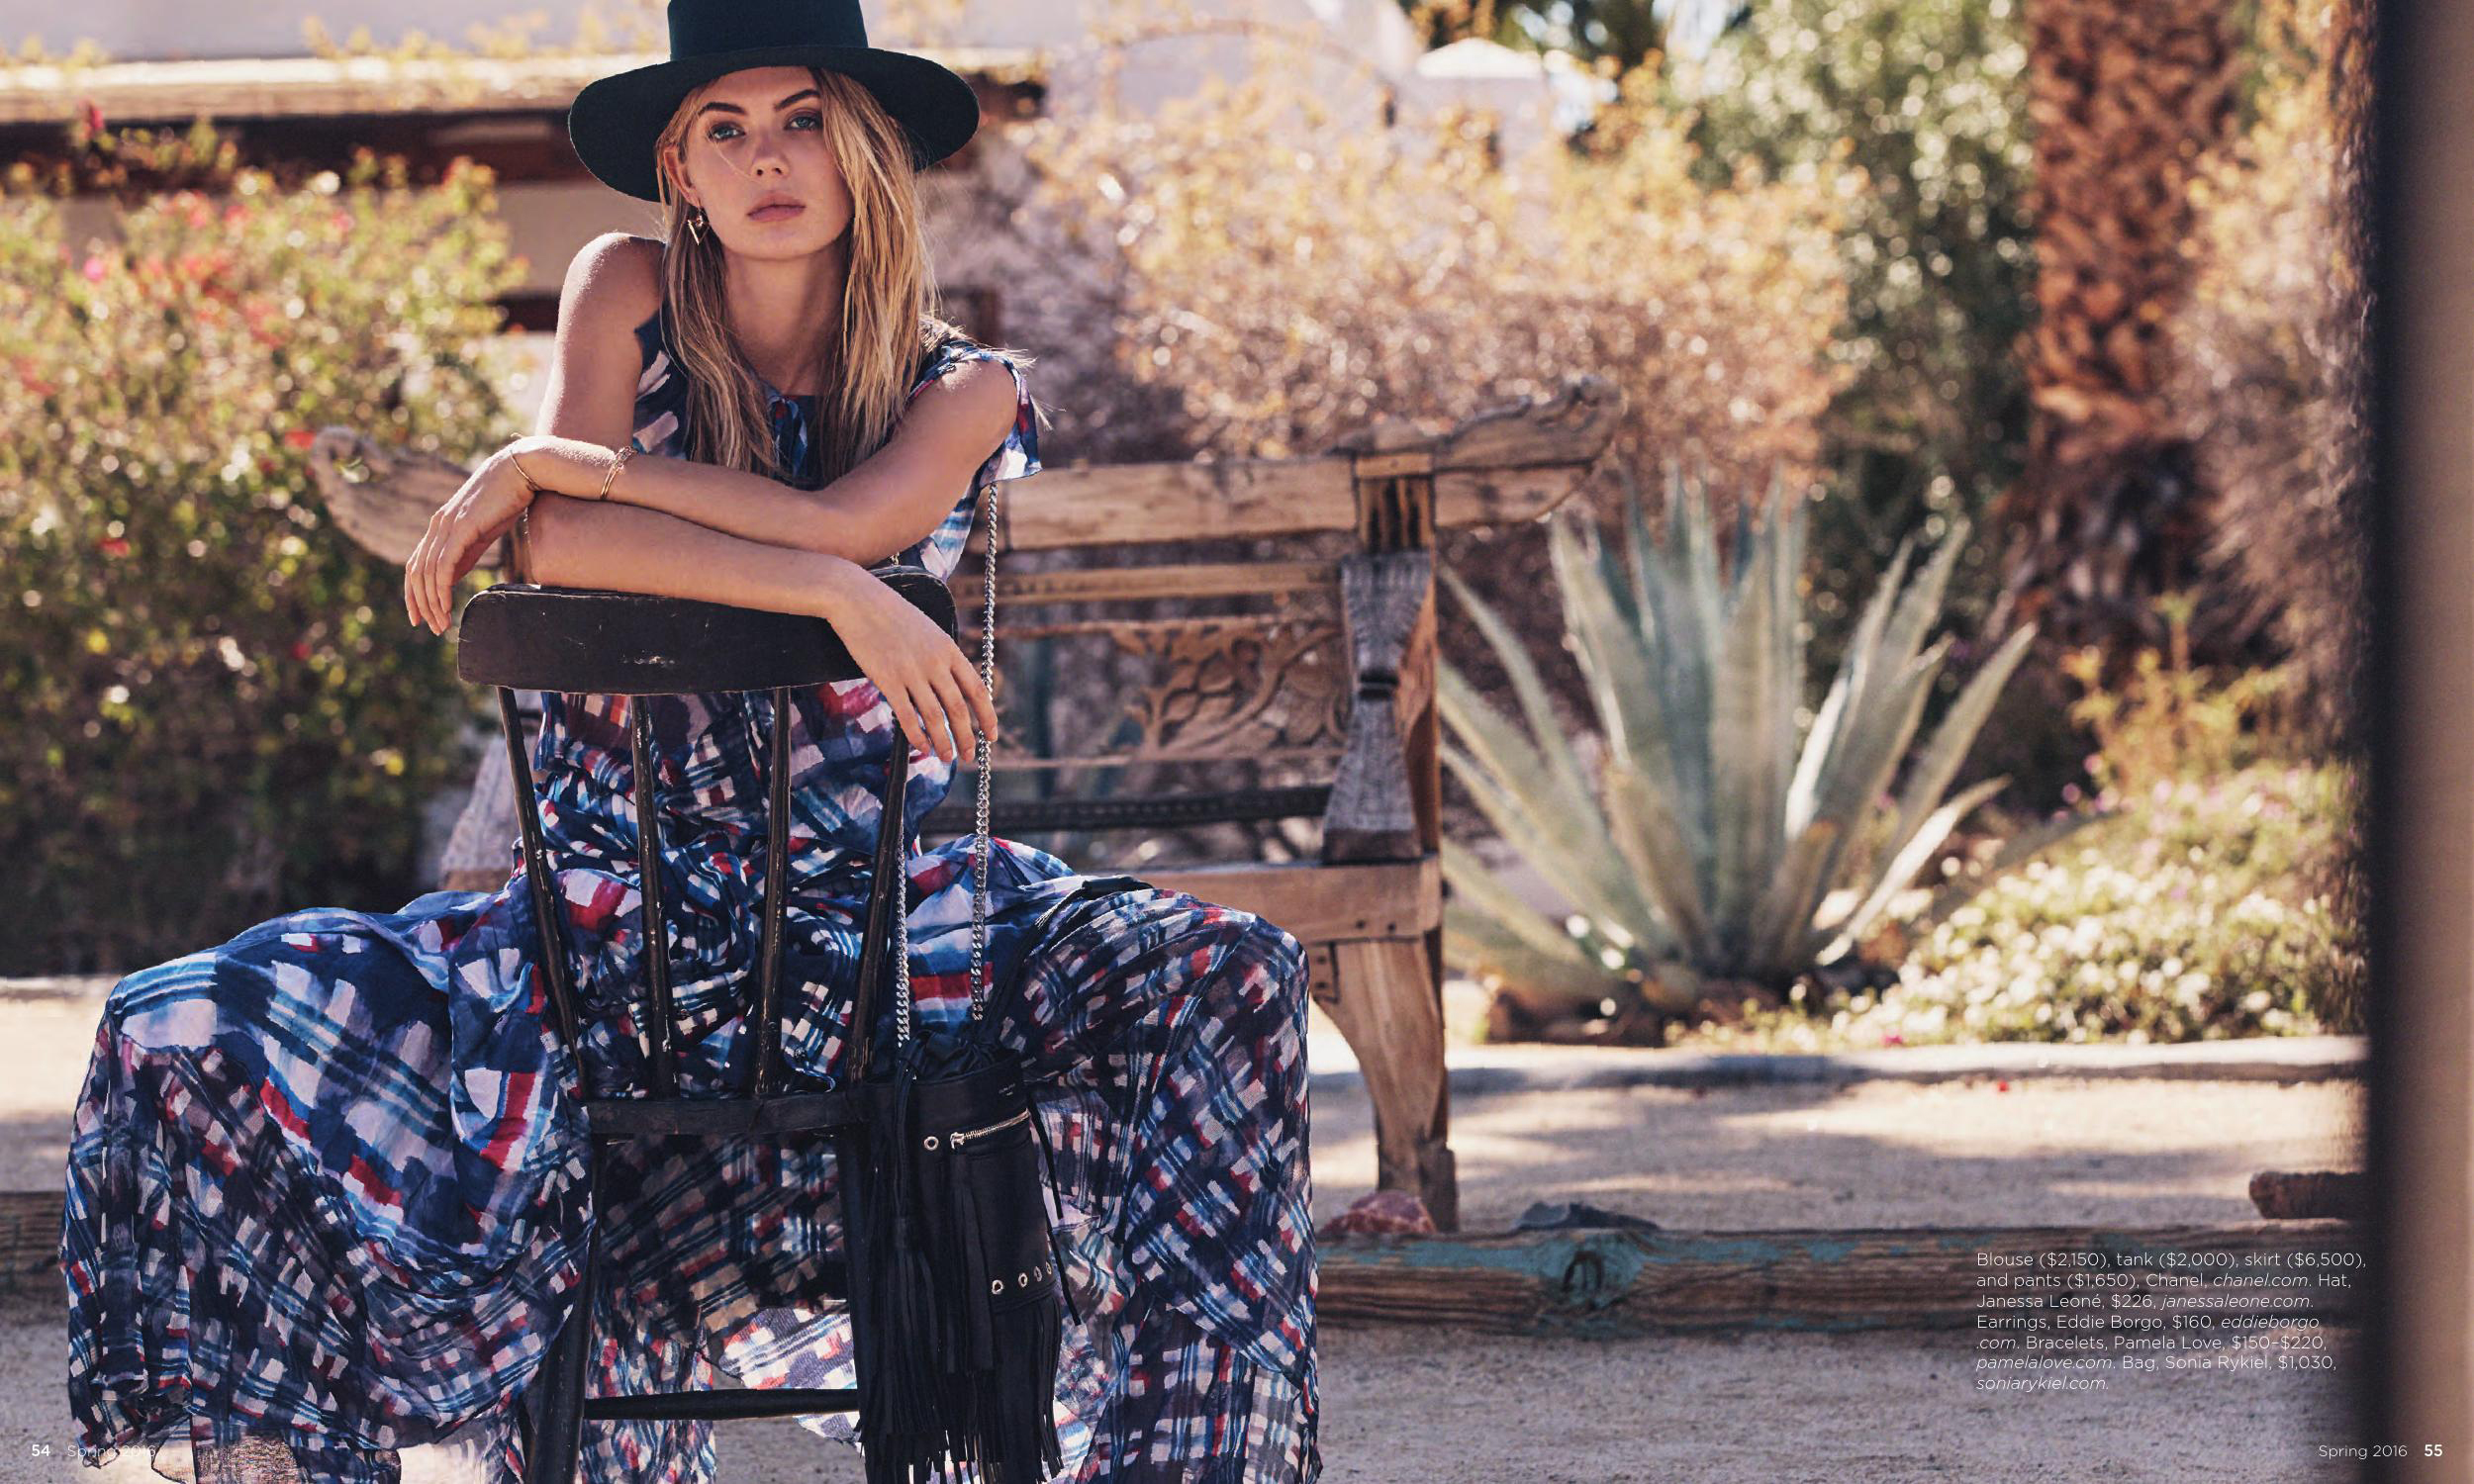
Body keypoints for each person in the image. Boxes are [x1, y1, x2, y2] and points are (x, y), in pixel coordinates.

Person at [59, 4, 1322, 1481]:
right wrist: (825, 589)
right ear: (680, 166)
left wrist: (578, 472)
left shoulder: (966, 387)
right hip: (609, 932)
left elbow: (844, 515)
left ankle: (1183, 1467)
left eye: (802, 120)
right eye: (724, 129)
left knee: (1233, 969)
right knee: (180, 1021)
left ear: (866, 148)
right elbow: (563, 552)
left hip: (876, 937)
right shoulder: (626, 286)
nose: (765, 159)